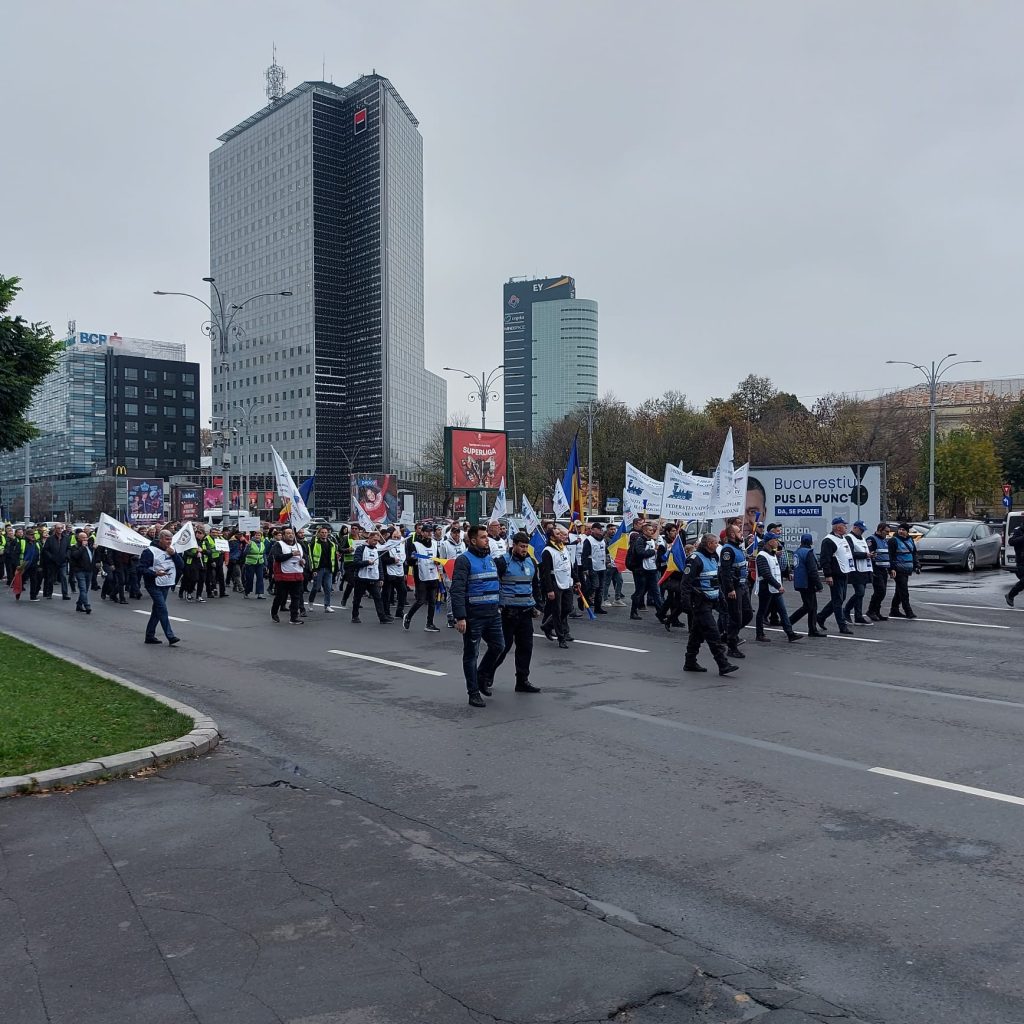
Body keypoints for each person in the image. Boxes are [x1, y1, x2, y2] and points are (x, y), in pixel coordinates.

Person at [450, 524, 505, 708]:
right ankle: (473, 692)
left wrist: (500, 604)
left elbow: (495, 582)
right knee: (471, 654)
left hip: (493, 613)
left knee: (499, 646)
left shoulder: (489, 558)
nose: (486, 540)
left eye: (487, 537)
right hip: (474, 616)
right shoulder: (464, 560)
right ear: (473, 541)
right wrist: (460, 617)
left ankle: (481, 676)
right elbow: (457, 590)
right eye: (483, 537)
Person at [489, 531, 543, 693]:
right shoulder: (502, 562)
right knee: (502, 647)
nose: (524, 549)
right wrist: (496, 606)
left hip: (525, 612)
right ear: (514, 545)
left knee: (526, 648)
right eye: (521, 546)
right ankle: (487, 675)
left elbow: (535, 586)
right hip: (508, 612)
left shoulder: (531, 562)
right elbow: (493, 584)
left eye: (526, 546)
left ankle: (522, 680)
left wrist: (537, 606)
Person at [680, 534, 738, 676]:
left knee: (696, 634)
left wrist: (721, 598)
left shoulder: (714, 557)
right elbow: (686, 583)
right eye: (715, 543)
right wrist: (686, 603)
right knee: (713, 633)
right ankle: (723, 664)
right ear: (708, 544)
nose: (717, 545)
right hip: (700, 602)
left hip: (712, 599)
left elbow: (715, 579)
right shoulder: (695, 559)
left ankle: (690, 662)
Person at [139, 529, 184, 645]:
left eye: (170, 539)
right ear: (160, 539)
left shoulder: (171, 549)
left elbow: (181, 565)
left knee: (157, 610)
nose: (169, 542)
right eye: (167, 539)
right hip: (153, 583)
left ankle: (149, 636)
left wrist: (174, 554)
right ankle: (170, 636)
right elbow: (140, 568)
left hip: (166, 583)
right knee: (162, 609)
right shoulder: (149, 551)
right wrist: (154, 573)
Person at [754, 533, 801, 643]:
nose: (777, 542)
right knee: (762, 612)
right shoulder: (762, 556)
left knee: (783, 611)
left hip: (775, 588)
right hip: (766, 588)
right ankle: (759, 634)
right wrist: (778, 585)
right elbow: (766, 574)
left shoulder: (772, 554)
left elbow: (776, 569)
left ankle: (790, 633)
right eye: (775, 540)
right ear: (769, 542)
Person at [718, 522, 752, 659]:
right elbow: (725, 572)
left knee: (748, 615)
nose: (741, 534)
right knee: (736, 618)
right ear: (732, 534)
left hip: (743, 587)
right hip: (734, 588)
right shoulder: (727, 550)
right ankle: (732, 647)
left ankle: (728, 634)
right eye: (738, 532)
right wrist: (730, 589)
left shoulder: (737, 548)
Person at [817, 517, 854, 635]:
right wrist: (828, 575)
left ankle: (821, 616)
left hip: (844, 572)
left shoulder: (843, 538)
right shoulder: (828, 540)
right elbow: (825, 559)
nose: (846, 527)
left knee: (840, 599)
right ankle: (842, 626)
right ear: (838, 527)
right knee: (838, 601)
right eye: (844, 525)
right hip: (835, 574)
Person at [540, 526, 575, 648]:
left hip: (567, 581)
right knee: (557, 611)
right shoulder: (547, 551)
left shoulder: (563, 547)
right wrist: (549, 590)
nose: (561, 535)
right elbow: (546, 573)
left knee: (568, 608)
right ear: (552, 537)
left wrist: (576, 579)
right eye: (558, 534)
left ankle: (547, 625)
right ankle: (561, 638)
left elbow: (569, 565)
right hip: (555, 583)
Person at [404, 522, 441, 632]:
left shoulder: (435, 544)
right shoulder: (415, 544)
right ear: (422, 533)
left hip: (433, 575)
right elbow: (409, 561)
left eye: (431, 531)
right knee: (421, 600)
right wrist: (413, 558)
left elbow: (438, 558)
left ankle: (429, 624)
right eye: (427, 531)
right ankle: (408, 617)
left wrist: (437, 561)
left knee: (432, 601)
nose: (429, 533)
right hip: (421, 576)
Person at [350, 529, 392, 624]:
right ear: (369, 538)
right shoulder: (361, 549)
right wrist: (367, 562)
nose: (375, 542)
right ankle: (355, 616)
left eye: (377, 540)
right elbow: (356, 563)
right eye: (374, 540)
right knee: (357, 598)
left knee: (378, 598)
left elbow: (379, 565)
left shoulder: (377, 550)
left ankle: (382, 617)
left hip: (373, 578)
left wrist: (381, 578)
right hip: (361, 578)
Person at [789, 533, 826, 636]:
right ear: (810, 542)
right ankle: (788, 622)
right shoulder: (808, 552)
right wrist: (819, 585)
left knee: (812, 606)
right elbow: (813, 571)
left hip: (800, 581)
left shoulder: (797, 551)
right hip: (807, 582)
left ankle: (812, 629)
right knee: (809, 606)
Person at [270, 526, 306, 624]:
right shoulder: (279, 545)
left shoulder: (299, 545)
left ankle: (294, 617)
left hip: (297, 574)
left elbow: (304, 557)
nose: (291, 535)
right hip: (283, 575)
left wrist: (303, 561)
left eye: (292, 533)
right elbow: (277, 557)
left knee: (296, 597)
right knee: (280, 596)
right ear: (283, 535)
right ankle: (274, 613)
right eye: (288, 533)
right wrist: (291, 554)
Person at [628, 521, 663, 621]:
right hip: (641, 570)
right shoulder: (639, 540)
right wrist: (653, 551)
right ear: (644, 531)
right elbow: (641, 553)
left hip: (652, 569)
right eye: (650, 530)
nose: (652, 532)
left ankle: (660, 613)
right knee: (639, 591)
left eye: (652, 530)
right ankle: (633, 612)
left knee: (656, 592)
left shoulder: (652, 540)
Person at [842, 520, 874, 626]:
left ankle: (858, 616)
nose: (862, 532)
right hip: (855, 570)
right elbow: (850, 554)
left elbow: (865, 552)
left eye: (863, 530)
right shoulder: (849, 538)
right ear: (855, 528)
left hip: (864, 568)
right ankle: (846, 610)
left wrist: (870, 555)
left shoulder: (863, 539)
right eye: (861, 529)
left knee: (861, 594)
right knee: (860, 592)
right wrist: (865, 555)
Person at [888, 522, 920, 618]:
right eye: (900, 529)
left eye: (903, 530)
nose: (901, 531)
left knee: (899, 591)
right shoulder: (893, 540)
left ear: (907, 531)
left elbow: (913, 553)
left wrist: (917, 565)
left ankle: (894, 610)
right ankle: (908, 611)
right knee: (904, 591)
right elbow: (890, 556)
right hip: (898, 569)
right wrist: (892, 569)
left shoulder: (910, 540)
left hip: (907, 569)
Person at [438, 523, 465, 627]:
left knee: (461, 595)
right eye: (454, 533)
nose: (456, 535)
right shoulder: (445, 544)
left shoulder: (462, 544)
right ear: (451, 533)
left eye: (458, 533)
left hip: (461, 573)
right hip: (449, 574)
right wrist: (441, 574)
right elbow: (442, 560)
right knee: (451, 596)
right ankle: (450, 617)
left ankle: (460, 616)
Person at [307, 526, 338, 612]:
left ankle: (327, 606)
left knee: (328, 588)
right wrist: (313, 569)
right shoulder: (314, 544)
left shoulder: (332, 544)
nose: (324, 534)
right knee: (316, 588)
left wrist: (335, 569)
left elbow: (334, 558)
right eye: (322, 532)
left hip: (328, 569)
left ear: (328, 534)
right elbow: (311, 557)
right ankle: (310, 602)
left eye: (325, 532)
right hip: (318, 569)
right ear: (319, 534)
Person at [866, 522, 892, 621]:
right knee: (880, 591)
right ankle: (871, 611)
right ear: (880, 530)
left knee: (883, 592)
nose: (887, 534)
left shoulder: (884, 540)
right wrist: (872, 570)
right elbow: (870, 555)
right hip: (876, 569)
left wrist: (890, 569)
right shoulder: (872, 539)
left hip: (883, 569)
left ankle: (877, 611)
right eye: (886, 531)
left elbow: (887, 556)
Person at [580, 521, 608, 614]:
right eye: (598, 529)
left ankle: (598, 607)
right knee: (594, 586)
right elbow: (584, 555)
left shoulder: (603, 540)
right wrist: (585, 568)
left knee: (600, 588)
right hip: (592, 565)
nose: (600, 530)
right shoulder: (589, 540)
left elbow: (605, 551)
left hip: (602, 566)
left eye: (601, 529)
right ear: (592, 530)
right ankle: (582, 598)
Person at [68, 530, 94, 613]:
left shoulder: (89, 546)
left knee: (85, 590)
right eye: (83, 538)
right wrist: (82, 547)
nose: (85, 539)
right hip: (80, 571)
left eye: (86, 537)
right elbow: (75, 556)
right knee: (83, 589)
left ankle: (79, 605)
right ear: (79, 539)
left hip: (89, 570)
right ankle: (87, 606)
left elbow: (92, 557)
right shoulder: (75, 547)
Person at [243, 530, 267, 599]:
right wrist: (248, 546)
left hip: (260, 563)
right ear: (254, 536)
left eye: (259, 535)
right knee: (249, 578)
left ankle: (260, 594)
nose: (257, 536)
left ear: (261, 536)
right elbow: (245, 553)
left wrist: (265, 564)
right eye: (256, 535)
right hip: (250, 563)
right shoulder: (250, 543)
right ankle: (247, 592)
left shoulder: (262, 543)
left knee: (260, 578)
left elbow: (263, 554)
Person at [1006, 522, 1024, 607]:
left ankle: (1010, 595)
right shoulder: (1018, 530)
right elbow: (1011, 541)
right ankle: (1010, 595)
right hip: (1021, 562)